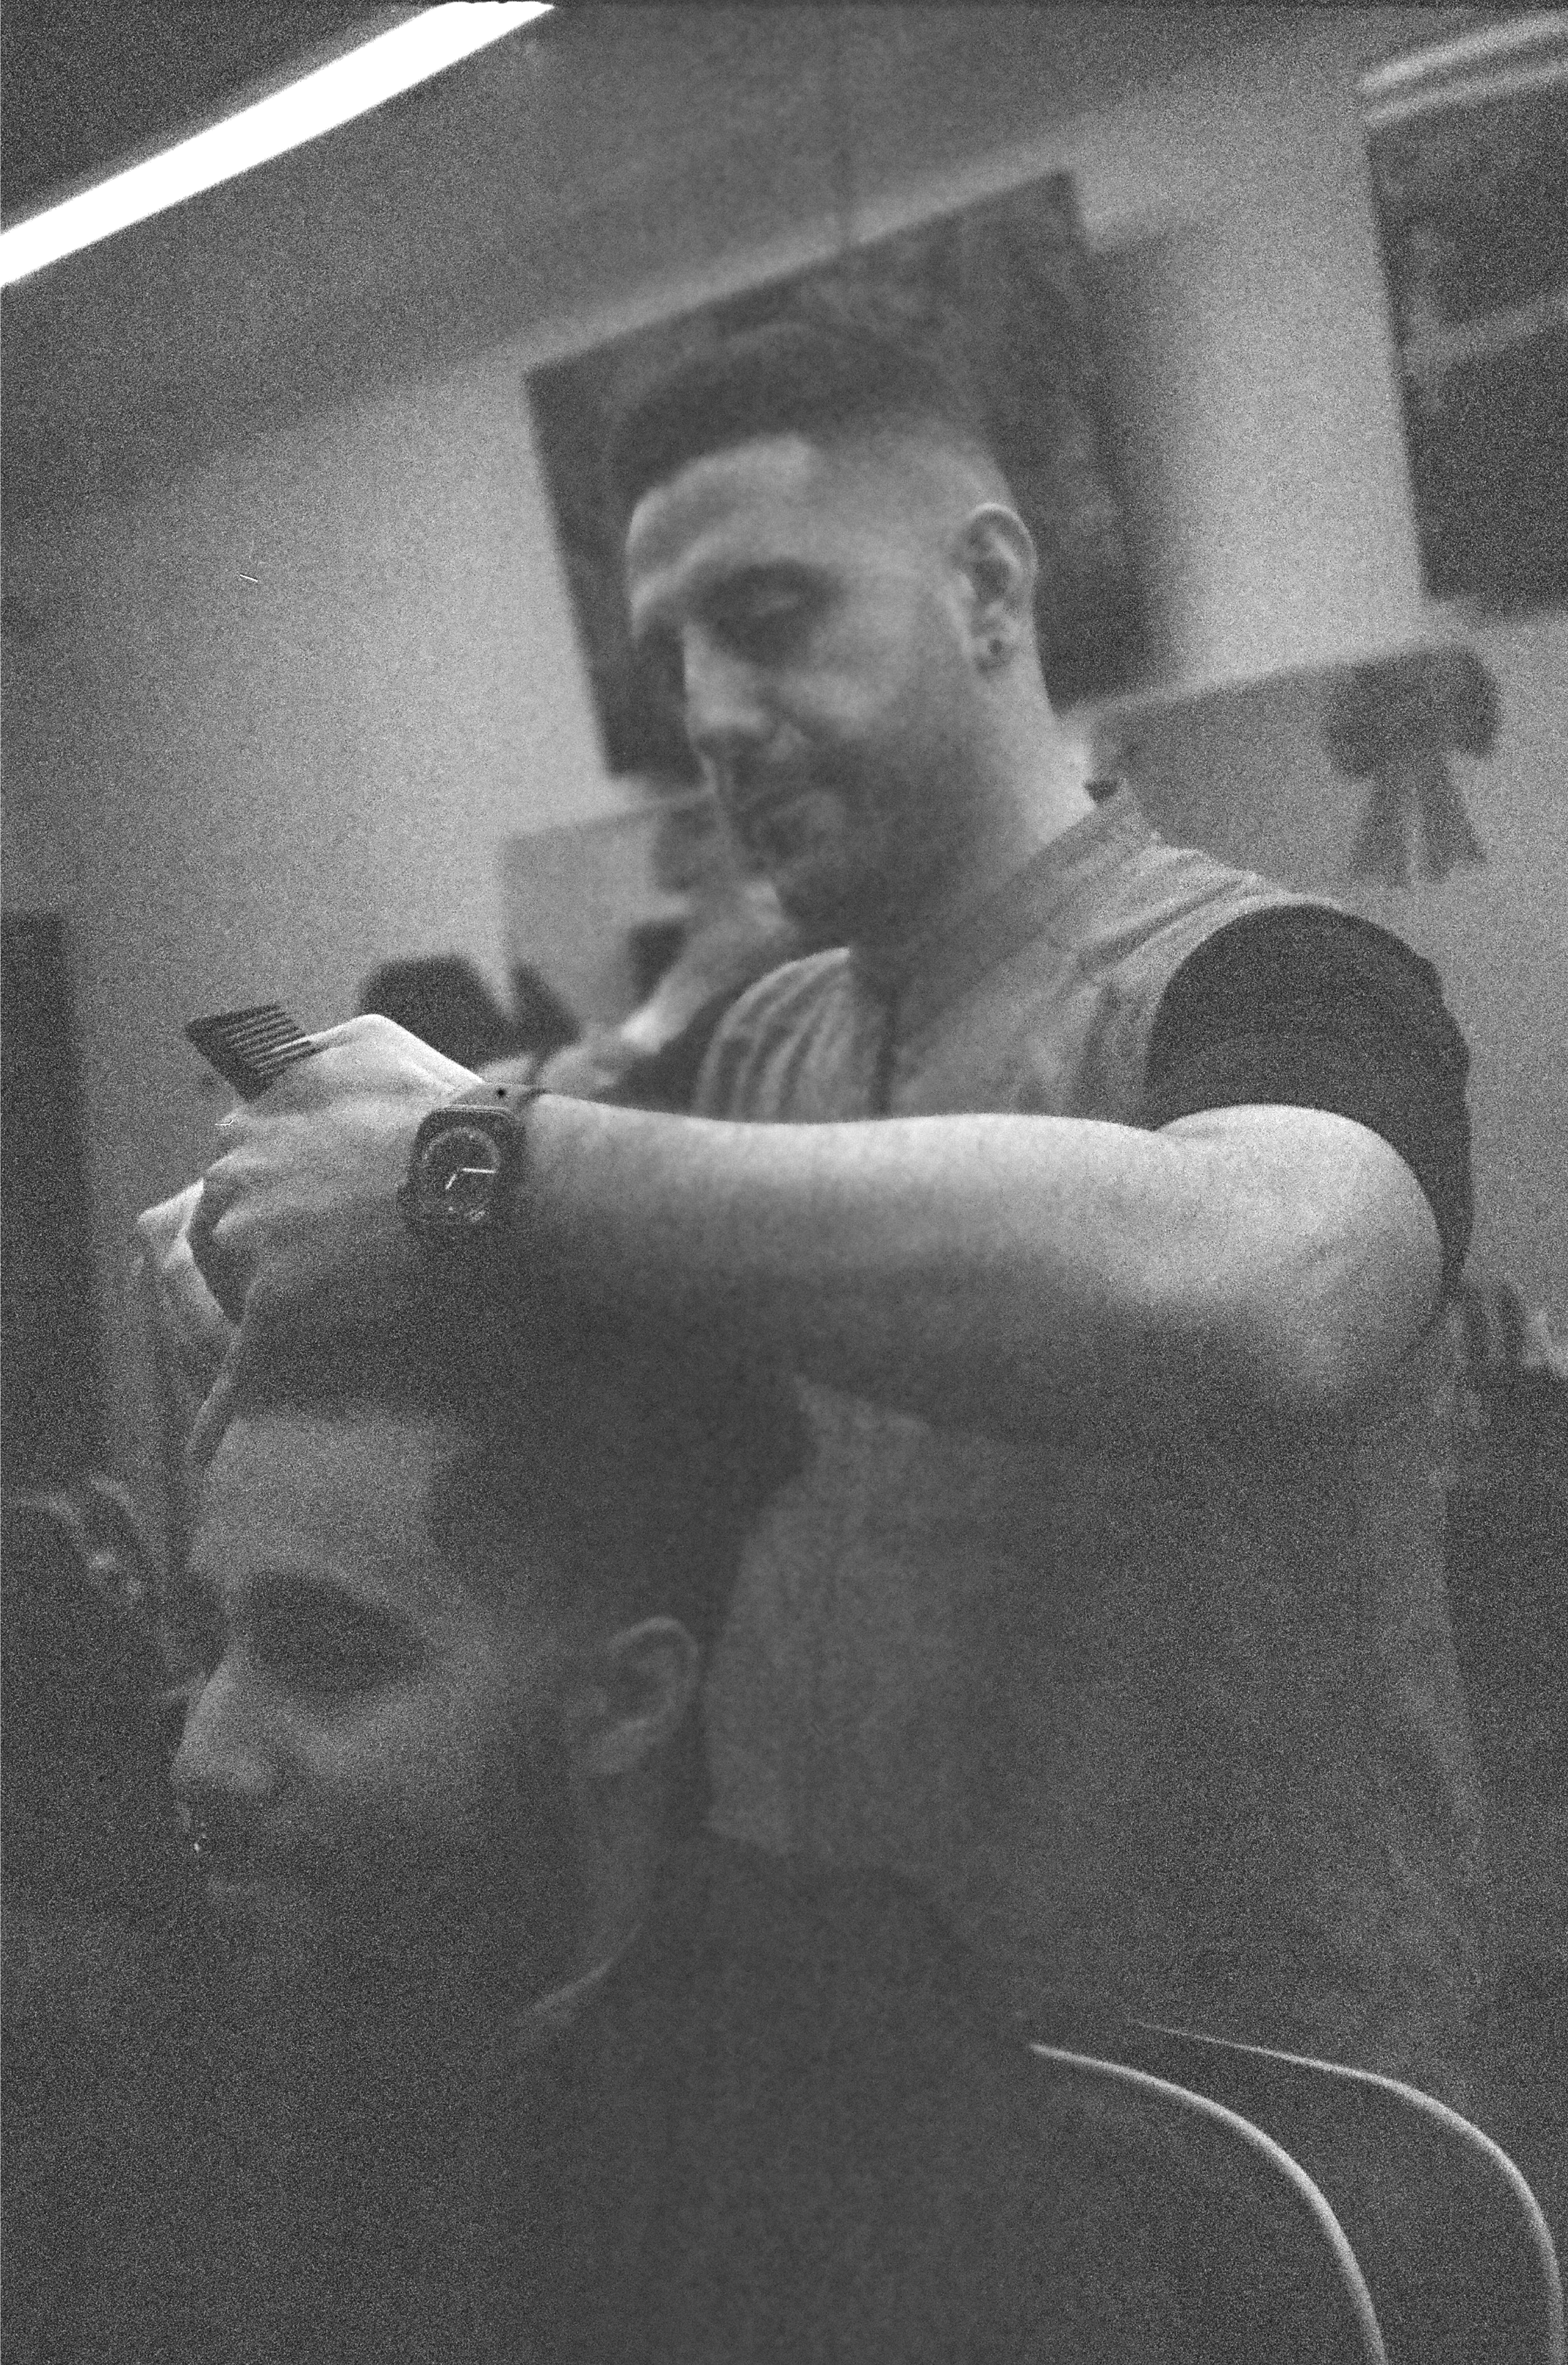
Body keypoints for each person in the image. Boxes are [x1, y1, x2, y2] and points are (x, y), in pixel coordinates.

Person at [167, 311, 1487, 2104]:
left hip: (1239, 2113)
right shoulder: (774, 1030)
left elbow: (1281, 1284)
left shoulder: (1273, 972)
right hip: (867, 2076)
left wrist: (467, 1165)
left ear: (993, 593)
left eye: (771, 618)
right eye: (671, 661)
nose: (709, 715)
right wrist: (319, 1254)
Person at [7, 1271, 1305, 2365]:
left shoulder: (849, 2088)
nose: (205, 1753)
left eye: (331, 1655)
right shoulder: (147, 2018)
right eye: (205, 1635)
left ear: (627, 1698)